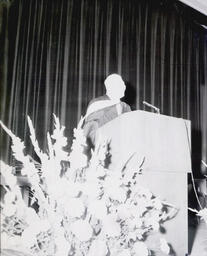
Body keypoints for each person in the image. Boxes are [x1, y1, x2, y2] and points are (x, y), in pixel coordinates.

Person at [83, 74, 131, 147]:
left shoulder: (126, 107)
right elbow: (90, 130)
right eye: (121, 84)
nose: (124, 87)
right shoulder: (96, 104)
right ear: (110, 86)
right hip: (103, 147)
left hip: (124, 147)